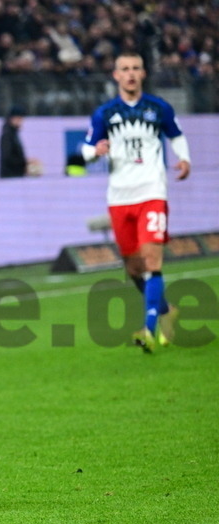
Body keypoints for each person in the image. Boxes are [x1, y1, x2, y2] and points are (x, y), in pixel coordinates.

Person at [81, 52, 191, 353]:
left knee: (152, 260)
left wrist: (185, 159)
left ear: (143, 74)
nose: (130, 74)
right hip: (119, 198)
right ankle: (167, 310)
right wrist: (96, 150)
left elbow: (176, 135)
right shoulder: (104, 113)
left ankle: (149, 330)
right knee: (132, 266)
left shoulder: (159, 108)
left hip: (152, 193)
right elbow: (86, 150)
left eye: (135, 69)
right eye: (124, 69)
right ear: (116, 75)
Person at [0, 105, 40, 178]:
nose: (21, 121)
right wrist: (25, 163)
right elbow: (7, 158)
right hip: (9, 177)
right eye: (19, 118)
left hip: (15, 176)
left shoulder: (13, 134)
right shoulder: (7, 135)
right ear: (12, 119)